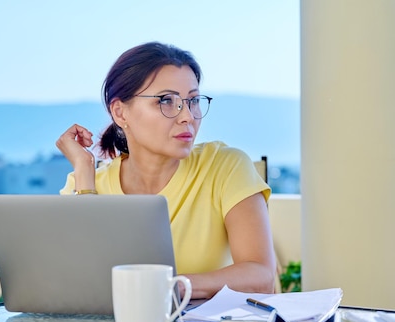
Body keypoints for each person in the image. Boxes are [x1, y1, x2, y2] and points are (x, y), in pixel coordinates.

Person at [56, 41, 277, 299]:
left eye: (193, 100)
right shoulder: (85, 186)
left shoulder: (225, 167)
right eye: (166, 101)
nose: (188, 116)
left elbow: (261, 277)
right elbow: (78, 285)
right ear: (120, 112)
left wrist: (175, 286)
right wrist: (84, 171)